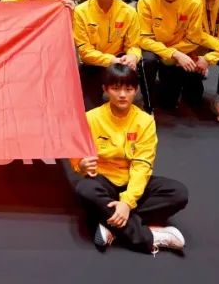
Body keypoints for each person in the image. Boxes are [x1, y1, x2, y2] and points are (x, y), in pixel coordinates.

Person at [70, 63, 187, 254]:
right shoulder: (90, 118)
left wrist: (127, 203)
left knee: (178, 193)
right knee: (85, 189)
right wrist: (80, 165)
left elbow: (142, 165)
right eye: (116, 89)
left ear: (136, 90)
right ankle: (151, 237)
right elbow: (77, 155)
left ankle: (110, 223)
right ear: (105, 89)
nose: (122, 95)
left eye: (128, 89)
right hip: (103, 181)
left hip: (132, 182)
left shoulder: (145, 121)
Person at [135, 0, 206, 108]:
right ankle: (147, 100)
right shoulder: (146, 1)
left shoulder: (194, 2)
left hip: (181, 49)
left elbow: (194, 39)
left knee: (180, 101)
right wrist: (172, 53)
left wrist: (174, 53)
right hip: (155, 49)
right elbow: (144, 39)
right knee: (148, 61)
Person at [73, 0, 143, 110]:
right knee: (89, 110)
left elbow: (134, 45)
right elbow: (85, 52)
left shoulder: (129, 12)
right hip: (93, 65)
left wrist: (133, 56)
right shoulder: (80, 12)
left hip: (120, 63)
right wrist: (111, 60)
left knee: (128, 106)